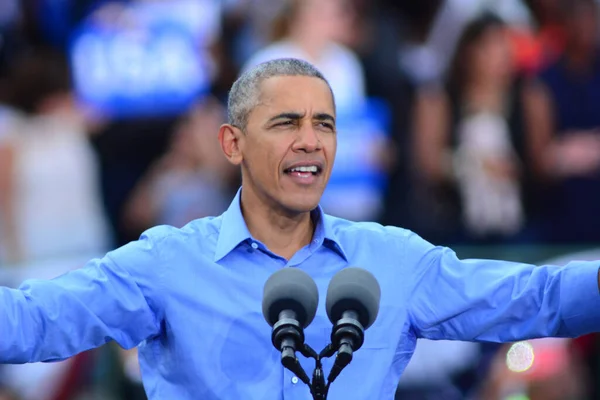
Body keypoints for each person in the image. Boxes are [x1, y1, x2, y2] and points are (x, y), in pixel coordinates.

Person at [1, 58, 599, 400]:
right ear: (232, 143)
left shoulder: (390, 260)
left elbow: (536, 301)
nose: (310, 140)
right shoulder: (168, 263)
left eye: (325, 124)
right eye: (286, 122)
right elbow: (34, 322)